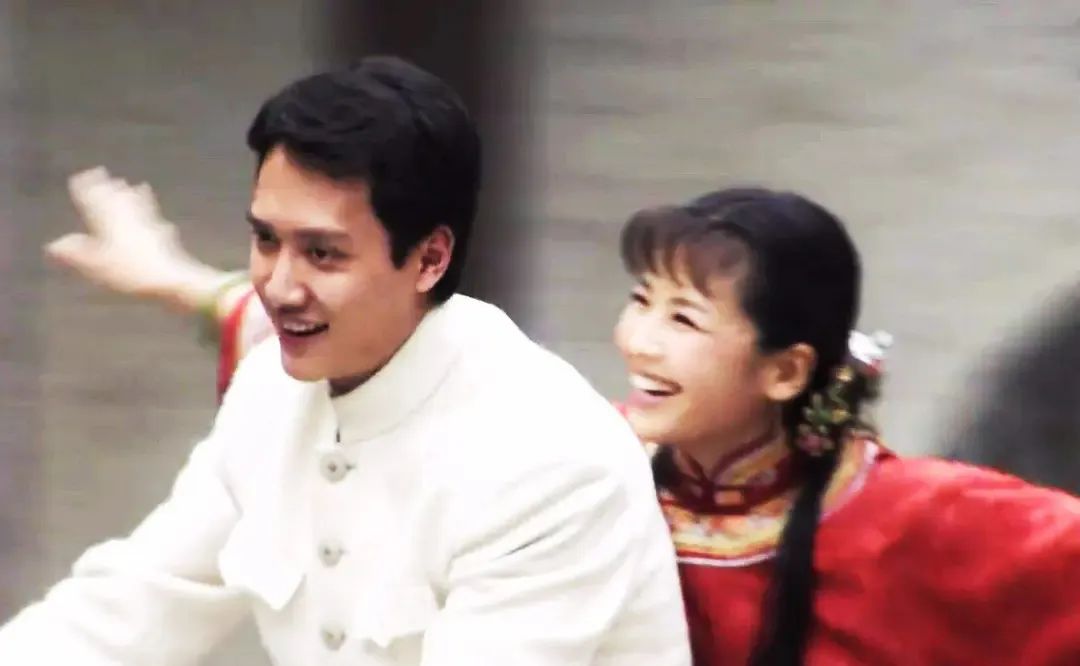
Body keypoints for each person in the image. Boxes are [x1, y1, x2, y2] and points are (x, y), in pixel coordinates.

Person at [44, 173, 1080, 663]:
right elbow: (388, 383)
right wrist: (181, 283)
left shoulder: (933, 522)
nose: (639, 342)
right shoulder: (576, 468)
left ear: (786, 369)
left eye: (683, 319)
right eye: (640, 303)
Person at [0, 57, 692, 665]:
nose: (278, 286)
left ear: (430, 258)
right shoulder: (270, 392)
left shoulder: (549, 458)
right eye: (266, 241)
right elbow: (133, 607)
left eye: (322, 253)